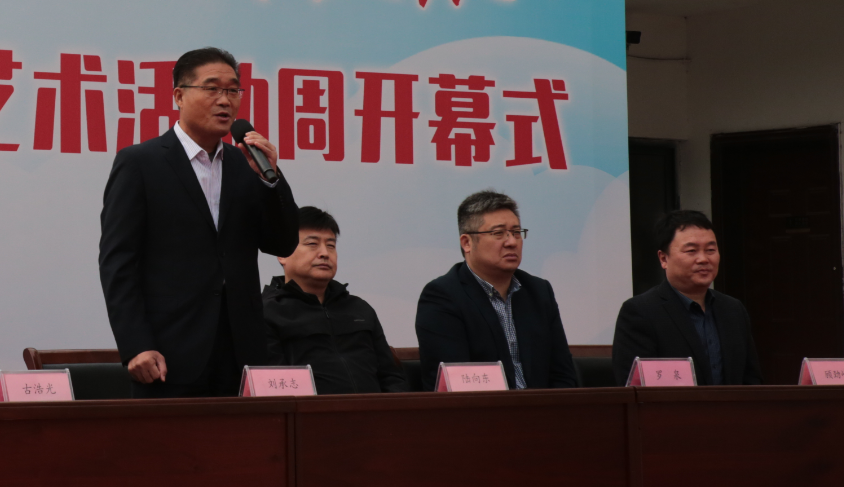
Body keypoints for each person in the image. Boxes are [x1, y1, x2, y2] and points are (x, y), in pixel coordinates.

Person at [99, 47, 299, 398]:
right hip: (167, 353)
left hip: (242, 354)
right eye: (212, 88)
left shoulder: (246, 165)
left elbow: (281, 243)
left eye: (233, 90)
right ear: (179, 95)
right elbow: (118, 262)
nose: (225, 100)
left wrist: (272, 181)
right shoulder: (140, 163)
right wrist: (136, 345)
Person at [414, 190, 577, 390]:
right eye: (498, 233)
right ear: (467, 243)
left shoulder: (538, 291)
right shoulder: (442, 297)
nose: (512, 242)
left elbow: (563, 374)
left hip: (543, 408)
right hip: (483, 408)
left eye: (516, 233)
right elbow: (456, 385)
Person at [263, 207, 408, 394]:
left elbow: (391, 376)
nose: (325, 253)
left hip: (375, 411)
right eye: (312, 244)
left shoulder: (359, 308)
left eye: (331, 245)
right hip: (309, 412)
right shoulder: (267, 312)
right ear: (283, 254)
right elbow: (274, 387)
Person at [611, 210, 762, 386]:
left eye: (711, 250)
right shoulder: (640, 312)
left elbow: (752, 379)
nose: (703, 259)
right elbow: (635, 388)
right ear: (663, 258)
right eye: (691, 251)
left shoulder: (733, 310)